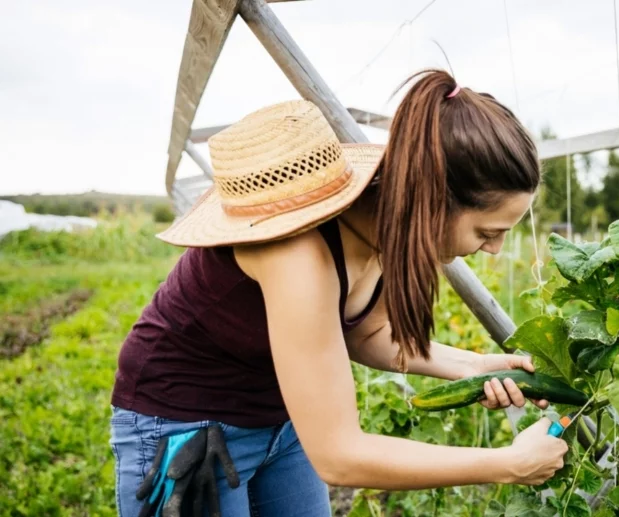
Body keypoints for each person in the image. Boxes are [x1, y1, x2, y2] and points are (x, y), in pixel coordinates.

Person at [109, 69, 569, 517]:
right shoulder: (300, 256)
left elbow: (367, 332)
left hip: (280, 422)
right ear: (432, 202)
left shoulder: (384, 226)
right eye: (488, 231)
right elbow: (339, 455)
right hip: (184, 428)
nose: (495, 249)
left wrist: (475, 366)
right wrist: (505, 465)